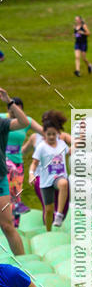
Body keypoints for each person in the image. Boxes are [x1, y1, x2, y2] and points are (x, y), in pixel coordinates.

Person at [25, 110, 71, 224]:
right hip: (41, 178)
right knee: (49, 208)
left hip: (58, 176)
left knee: (63, 209)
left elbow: (74, 144)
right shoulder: (35, 137)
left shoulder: (61, 137)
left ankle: (58, 218)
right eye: (44, 122)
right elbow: (24, 151)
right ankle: (48, 230)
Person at [4, 97, 42, 227]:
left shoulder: (26, 121)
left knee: (16, 192)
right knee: (10, 171)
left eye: (18, 111)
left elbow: (44, 132)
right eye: (13, 111)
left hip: (18, 162)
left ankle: (15, 225)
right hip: (3, 161)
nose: (15, 114)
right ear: (8, 109)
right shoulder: (2, 119)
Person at [0, 89, 29, 256]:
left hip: (0, 179)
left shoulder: (2, 123)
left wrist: (9, 101)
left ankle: (24, 264)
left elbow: (24, 122)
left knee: (7, 225)